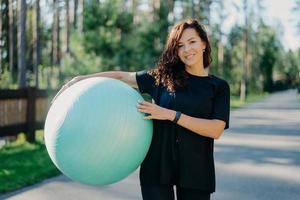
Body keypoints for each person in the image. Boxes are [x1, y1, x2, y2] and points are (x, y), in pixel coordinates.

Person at [52, 18, 230, 200]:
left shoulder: (218, 87)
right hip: (157, 169)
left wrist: (171, 115)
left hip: (196, 171)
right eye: (180, 45)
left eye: (192, 42)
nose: (186, 50)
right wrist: (80, 79)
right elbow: (121, 77)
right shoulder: (162, 77)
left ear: (204, 43)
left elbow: (215, 129)